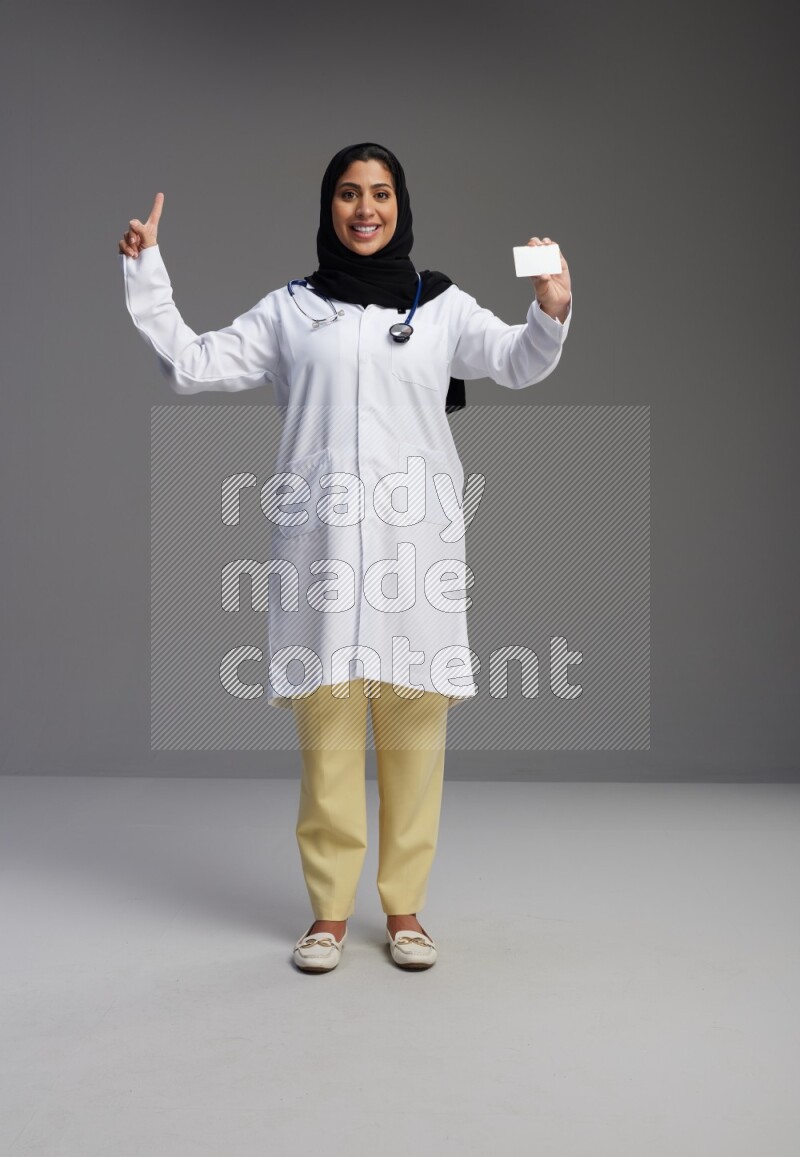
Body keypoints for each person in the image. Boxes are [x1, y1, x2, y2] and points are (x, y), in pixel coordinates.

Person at [118, 142, 573, 973]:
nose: (366, 209)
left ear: (402, 206)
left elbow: (518, 360)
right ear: (328, 207)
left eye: (381, 194)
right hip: (320, 552)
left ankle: (404, 910)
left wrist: (550, 307)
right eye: (349, 195)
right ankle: (328, 913)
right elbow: (191, 365)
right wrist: (149, 277)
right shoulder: (293, 311)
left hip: (414, 553)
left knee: (413, 741)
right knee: (326, 737)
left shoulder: (438, 306)